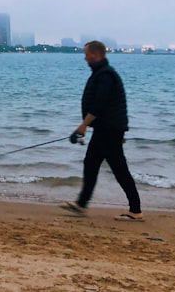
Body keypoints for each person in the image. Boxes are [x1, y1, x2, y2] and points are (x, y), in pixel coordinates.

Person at [62, 40, 143, 221]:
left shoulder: (105, 75)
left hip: (109, 130)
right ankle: (81, 204)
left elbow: (100, 104)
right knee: (91, 164)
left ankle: (136, 210)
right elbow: (114, 105)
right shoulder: (102, 73)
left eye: (87, 54)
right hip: (106, 129)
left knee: (119, 170)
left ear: (96, 54)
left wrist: (83, 125)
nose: (85, 58)